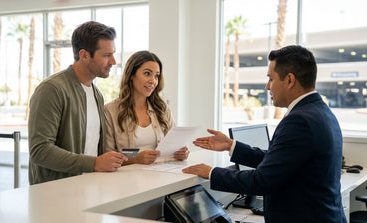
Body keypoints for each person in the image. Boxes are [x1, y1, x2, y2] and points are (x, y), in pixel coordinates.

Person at [183, 45, 346, 223]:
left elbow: (262, 181)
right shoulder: (320, 111)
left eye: (271, 79)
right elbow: (281, 161)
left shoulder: (299, 120)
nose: (268, 86)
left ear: (290, 80)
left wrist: (212, 172)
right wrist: (231, 146)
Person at [28, 21, 127, 185]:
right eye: (106, 55)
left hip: (89, 188)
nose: (113, 61)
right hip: (54, 195)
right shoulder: (51, 89)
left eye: (113, 54)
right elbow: (40, 150)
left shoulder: (97, 94)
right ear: (84, 55)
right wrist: (94, 163)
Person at [105, 51, 189, 165]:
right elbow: (107, 154)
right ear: (131, 75)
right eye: (147, 73)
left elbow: (175, 143)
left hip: (162, 175)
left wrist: (181, 152)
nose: (153, 81)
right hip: (128, 179)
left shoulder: (162, 108)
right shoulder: (110, 111)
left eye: (156, 76)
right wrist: (135, 158)